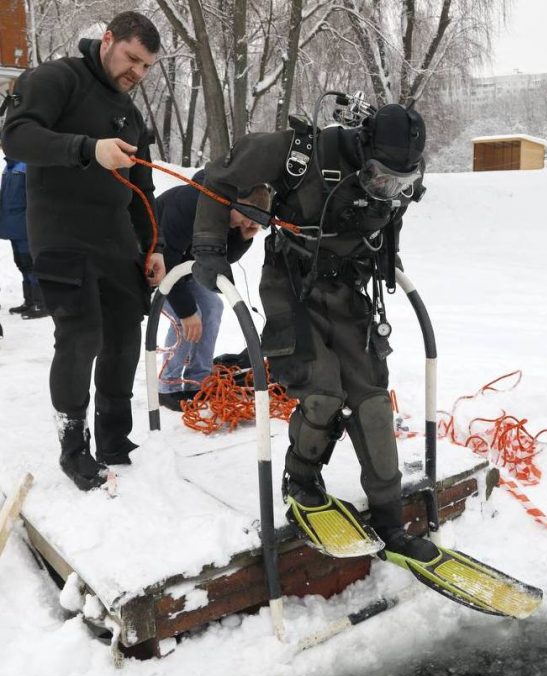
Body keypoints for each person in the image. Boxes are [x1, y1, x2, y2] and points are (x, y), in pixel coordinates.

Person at [191, 102, 437, 562]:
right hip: (292, 285)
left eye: (402, 184)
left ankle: (389, 518)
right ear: (363, 148)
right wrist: (208, 247)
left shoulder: (394, 183)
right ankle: (301, 479)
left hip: (348, 291)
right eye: (382, 177)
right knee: (322, 394)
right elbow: (218, 177)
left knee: (372, 402)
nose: (389, 190)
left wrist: (387, 256)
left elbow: (388, 216)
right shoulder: (301, 152)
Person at [1, 11, 165, 491]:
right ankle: (74, 450)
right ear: (108, 40)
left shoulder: (131, 114)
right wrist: (87, 149)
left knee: (123, 337)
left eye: (147, 66)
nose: (137, 72)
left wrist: (153, 248)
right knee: (82, 337)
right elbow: (16, 136)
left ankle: (115, 438)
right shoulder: (57, 78)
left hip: (116, 238)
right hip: (61, 233)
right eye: (132, 58)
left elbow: (143, 188)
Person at [155, 171, 269, 410]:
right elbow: (166, 260)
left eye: (255, 221)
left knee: (212, 306)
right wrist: (186, 311)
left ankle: (197, 380)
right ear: (234, 199)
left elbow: (222, 257)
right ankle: (169, 385)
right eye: (247, 216)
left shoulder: (228, 215)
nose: (249, 223)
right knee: (186, 314)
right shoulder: (192, 203)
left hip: (185, 267)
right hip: (151, 264)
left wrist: (243, 237)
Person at [0, 154, 46, 318]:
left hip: (26, 226)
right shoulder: (8, 168)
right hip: (11, 226)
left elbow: (34, 198)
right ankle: (29, 301)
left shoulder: (27, 166)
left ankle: (41, 304)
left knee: (31, 264)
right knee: (21, 264)